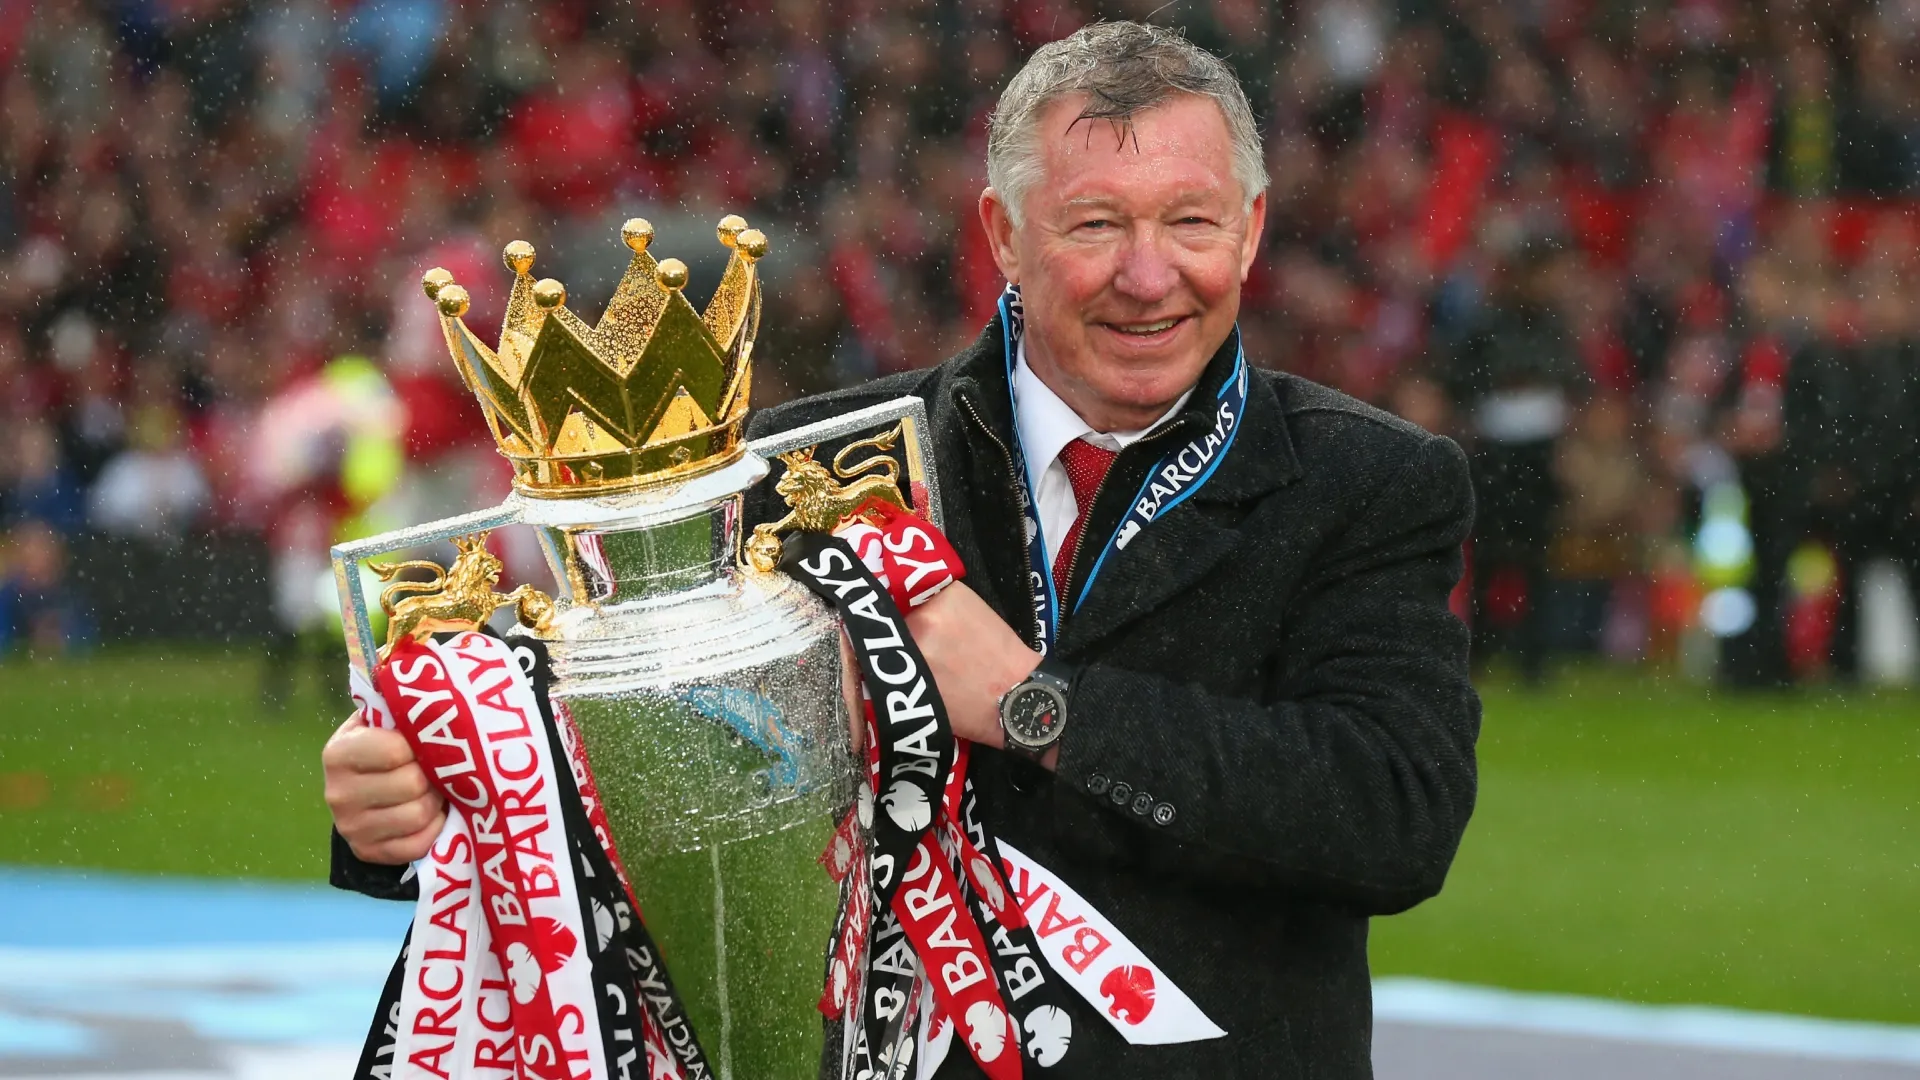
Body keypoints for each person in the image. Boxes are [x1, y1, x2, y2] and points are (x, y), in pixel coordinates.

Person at [323, 22, 1480, 1077]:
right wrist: (416, 807)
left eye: (1191, 221)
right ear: (1004, 234)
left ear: (1252, 226)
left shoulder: (1368, 482)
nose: (1148, 273)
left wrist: (1041, 708)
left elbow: (1393, 819)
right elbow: (643, 770)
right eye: (1096, 225)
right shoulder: (796, 480)